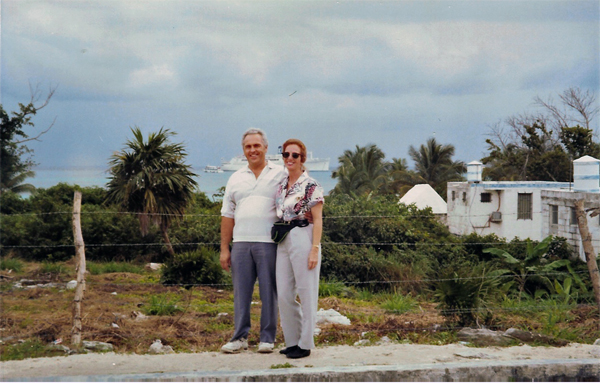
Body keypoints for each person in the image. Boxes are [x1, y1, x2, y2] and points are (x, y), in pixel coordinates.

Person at [219, 128, 285, 354]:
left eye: (257, 145)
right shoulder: (235, 178)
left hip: (268, 243)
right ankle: (240, 337)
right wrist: (224, 249)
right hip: (240, 244)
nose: (252, 150)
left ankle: (267, 338)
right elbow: (227, 215)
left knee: (269, 292)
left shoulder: (280, 173)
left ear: (266, 147)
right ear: (243, 150)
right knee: (241, 293)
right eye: (248, 146)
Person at [275, 138, 324, 359]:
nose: (290, 159)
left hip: (304, 235)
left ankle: (305, 344)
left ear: (302, 159)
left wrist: (315, 248)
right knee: (284, 293)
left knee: (306, 291)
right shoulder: (281, 185)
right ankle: (292, 340)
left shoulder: (311, 185)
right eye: (286, 154)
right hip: (284, 238)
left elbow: (318, 219)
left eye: (295, 155)